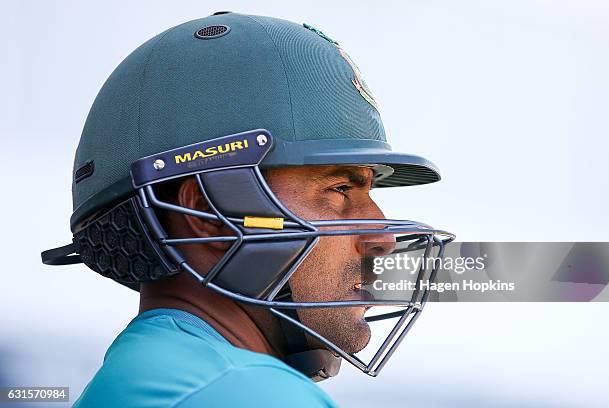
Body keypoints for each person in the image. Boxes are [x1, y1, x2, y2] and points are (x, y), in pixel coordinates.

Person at [42, 12, 453, 407]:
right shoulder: (246, 393)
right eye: (339, 189)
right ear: (210, 212)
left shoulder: (152, 377)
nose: (383, 238)